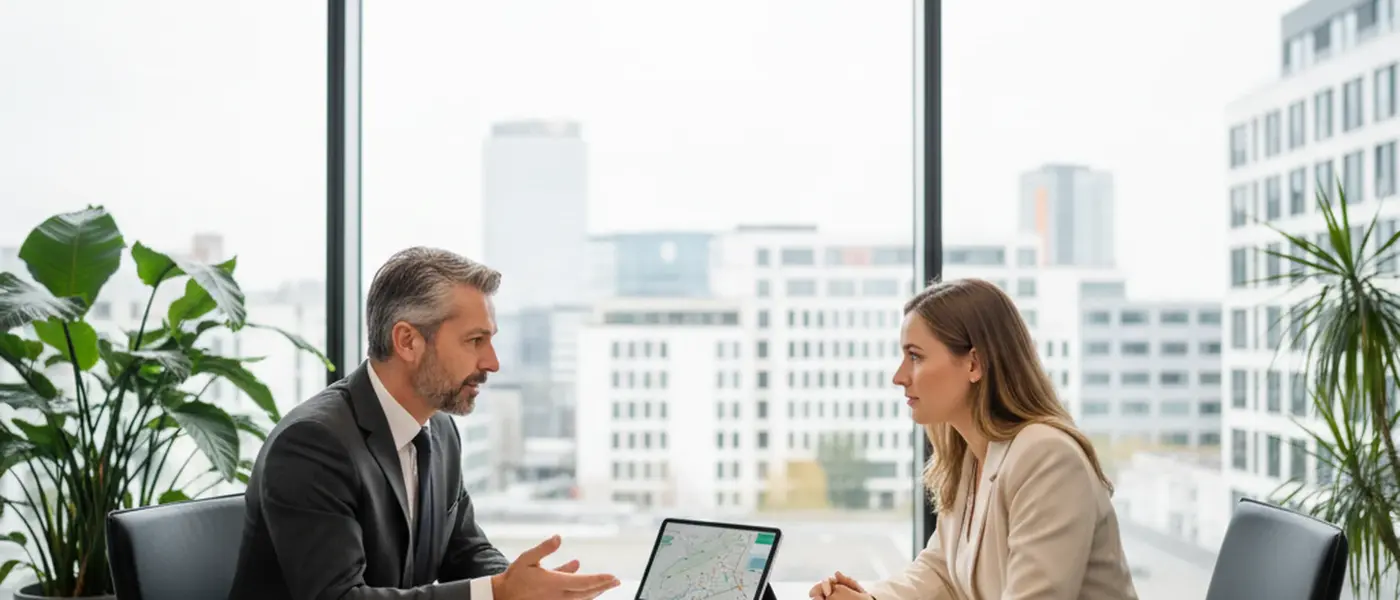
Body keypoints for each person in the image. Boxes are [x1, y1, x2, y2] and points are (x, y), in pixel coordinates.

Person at [230, 247, 621, 600]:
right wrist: (499, 593)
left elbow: (464, 550)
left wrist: (526, 587)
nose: (492, 363)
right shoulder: (313, 444)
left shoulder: (438, 429)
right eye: (474, 341)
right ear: (408, 341)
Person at [810, 278, 1138, 600]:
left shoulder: (1046, 457)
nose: (899, 377)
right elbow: (942, 571)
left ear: (974, 363)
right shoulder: (969, 456)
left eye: (916, 356)